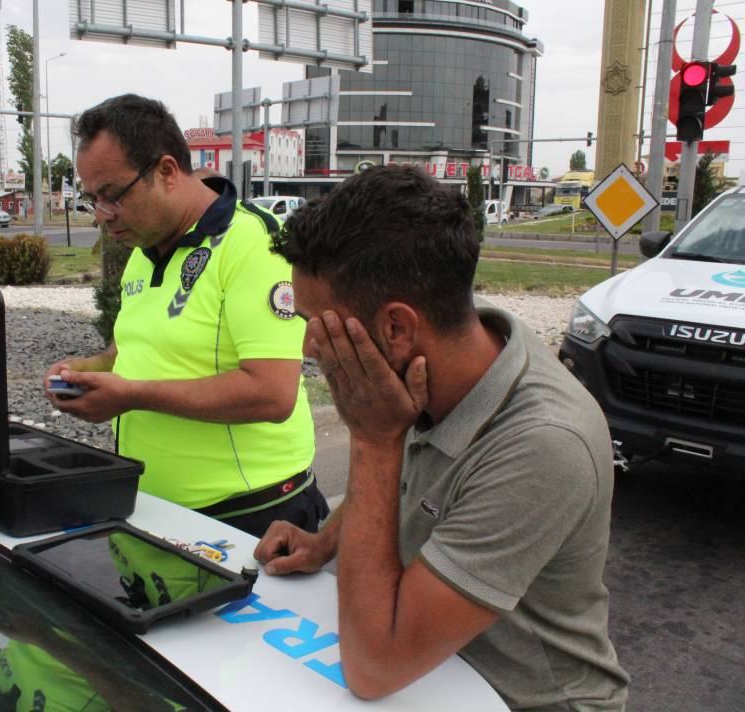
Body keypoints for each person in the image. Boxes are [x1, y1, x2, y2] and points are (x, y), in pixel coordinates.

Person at [253, 165, 629, 711]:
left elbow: (374, 667)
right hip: (431, 682)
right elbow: (411, 487)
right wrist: (324, 542)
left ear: (396, 328)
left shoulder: (545, 443)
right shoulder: (437, 367)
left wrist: (374, 439)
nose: (310, 347)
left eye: (320, 324)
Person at [45, 94, 326, 537]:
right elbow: (135, 349)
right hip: (156, 510)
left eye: (113, 196)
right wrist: (87, 370)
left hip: (252, 517)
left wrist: (131, 395)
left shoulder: (252, 243)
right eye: (91, 199)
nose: (102, 216)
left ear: (167, 171)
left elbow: (273, 394)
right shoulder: (144, 247)